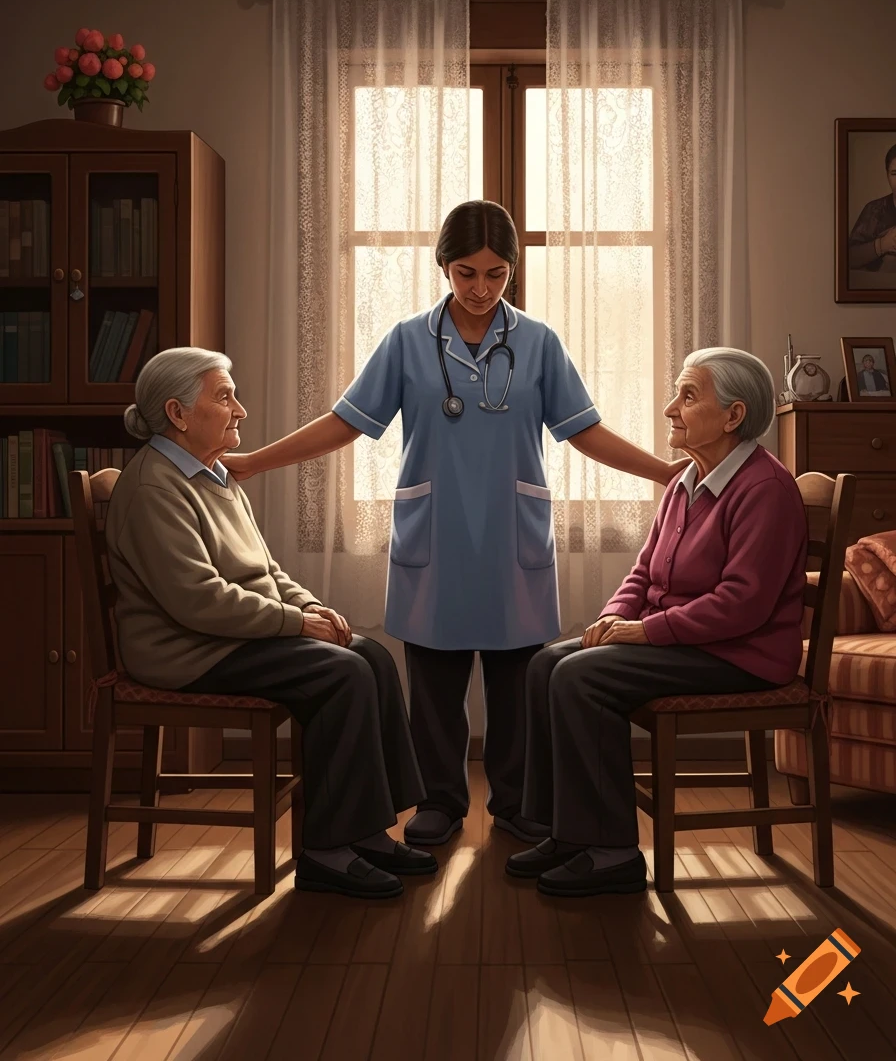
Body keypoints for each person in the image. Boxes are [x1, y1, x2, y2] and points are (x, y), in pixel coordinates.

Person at [223, 200, 686, 850]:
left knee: (519, 684)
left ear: (512, 273)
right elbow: (347, 422)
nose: (480, 289)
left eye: (496, 275)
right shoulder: (408, 340)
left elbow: (584, 431)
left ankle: (519, 802)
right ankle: (439, 800)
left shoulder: (540, 343)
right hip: (436, 533)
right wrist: (252, 462)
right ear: (443, 266)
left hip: (511, 534)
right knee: (434, 684)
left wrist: (666, 473)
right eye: (466, 273)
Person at [105, 347, 434, 900]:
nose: (241, 411)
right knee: (341, 674)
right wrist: (294, 624)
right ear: (178, 413)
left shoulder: (214, 475)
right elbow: (198, 601)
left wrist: (309, 608)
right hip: (186, 648)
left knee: (369, 655)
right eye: (225, 397)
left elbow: (265, 569)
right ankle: (327, 851)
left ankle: (367, 832)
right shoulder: (154, 488)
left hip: (224, 634)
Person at [506, 347, 808, 897]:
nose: (671, 408)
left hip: (741, 654)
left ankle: (611, 853)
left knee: (581, 677)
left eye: (688, 396)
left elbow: (742, 604)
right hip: (689, 643)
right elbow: (644, 572)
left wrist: (643, 631)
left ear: (733, 416)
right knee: (547, 661)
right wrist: (614, 618)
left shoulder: (765, 489)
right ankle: (566, 832)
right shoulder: (684, 482)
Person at [847, 143, 896, 272]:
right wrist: (882, 245)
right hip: (877, 287)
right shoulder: (874, 210)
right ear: (887, 175)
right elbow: (848, 257)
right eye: (894, 173)